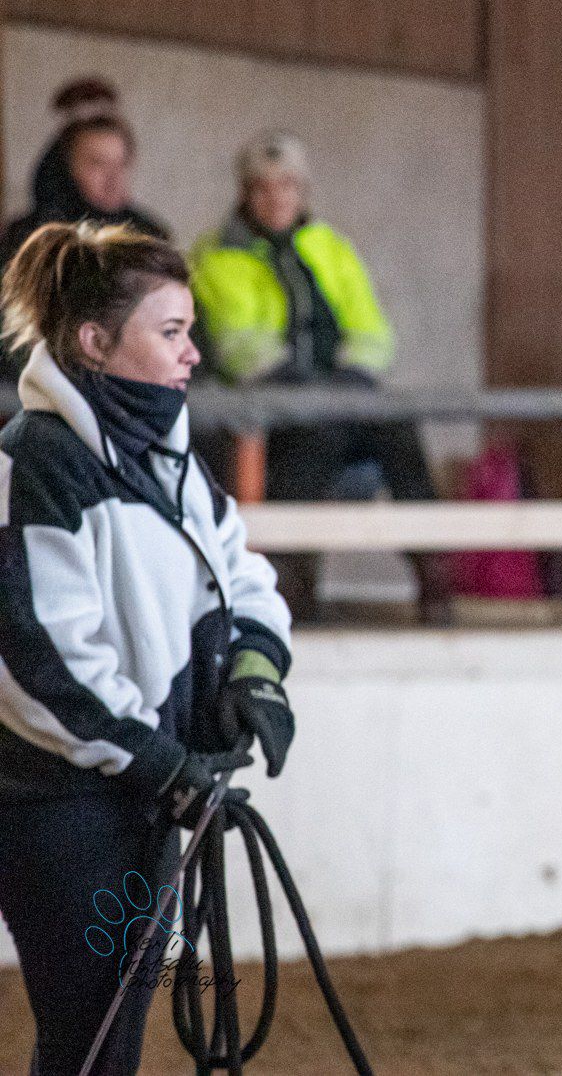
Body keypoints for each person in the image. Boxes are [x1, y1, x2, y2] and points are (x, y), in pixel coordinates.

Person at [0, 221, 294, 1076]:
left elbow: (240, 574)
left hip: (142, 793)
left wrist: (255, 668)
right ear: (95, 342)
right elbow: (42, 664)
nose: (193, 352)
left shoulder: (169, 459)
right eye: (171, 331)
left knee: (111, 1027)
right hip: (62, 802)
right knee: (92, 1033)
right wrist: (164, 763)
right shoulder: (37, 465)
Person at [188, 131, 450, 623]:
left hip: (344, 396)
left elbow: (372, 330)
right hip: (269, 407)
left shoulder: (331, 246)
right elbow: (240, 348)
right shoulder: (216, 256)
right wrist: (315, 397)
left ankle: (434, 571)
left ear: (303, 191)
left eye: (287, 185)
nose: (276, 198)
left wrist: (349, 384)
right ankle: (293, 580)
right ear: (245, 193)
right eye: (263, 187)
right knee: (314, 436)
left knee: (398, 427)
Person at [0, 101, 170, 271]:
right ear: (67, 169)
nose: (113, 178)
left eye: (122, 163)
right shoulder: (29, 239)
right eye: (98, 164)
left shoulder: (150, 237)